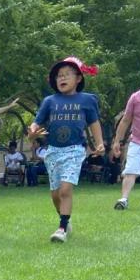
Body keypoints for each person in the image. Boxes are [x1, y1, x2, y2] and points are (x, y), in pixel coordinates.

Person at [28, 56, 104, 243]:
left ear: (78, 78)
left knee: (65, 190)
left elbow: (94, 122)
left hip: (74, 150)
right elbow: (36, 123)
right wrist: (32, 133)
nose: (61, 78)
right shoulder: (49, 101)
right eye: (58, 76)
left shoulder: (87, 100)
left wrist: (100, 143)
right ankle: (65, 219)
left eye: (67, 75)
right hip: (53, 151)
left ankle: (61, 228)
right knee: (55, 194)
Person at [111, 64, 140, 210]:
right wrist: (117, 141)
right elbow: (126, 120)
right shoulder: (135, 97)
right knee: (130, 170)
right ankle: (123, 199)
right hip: (137, 140)